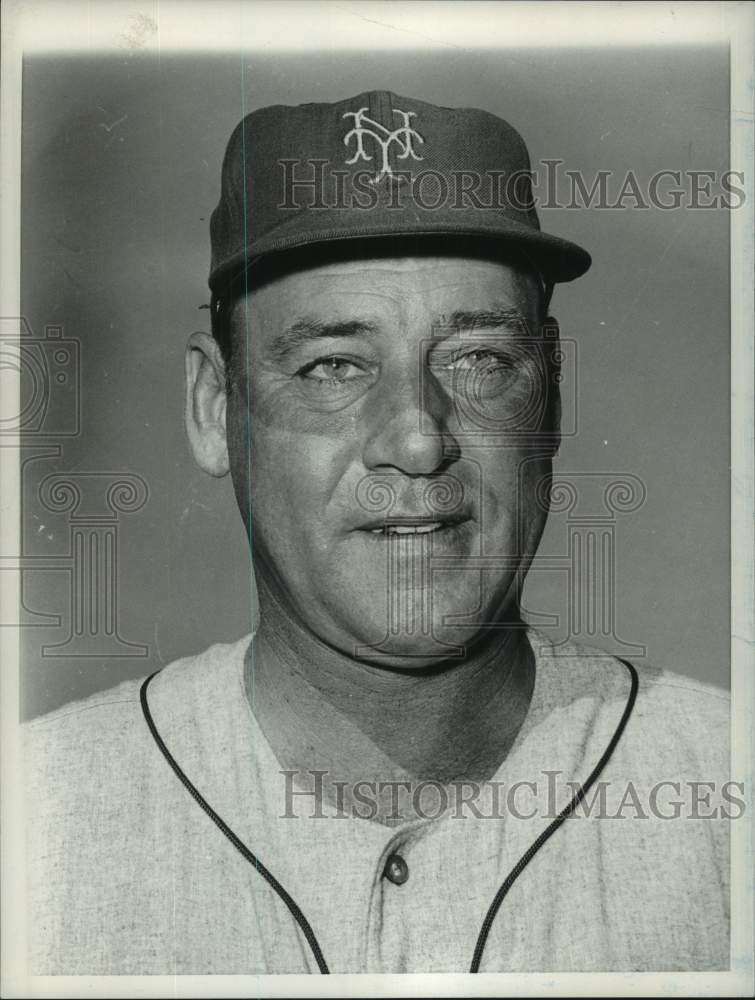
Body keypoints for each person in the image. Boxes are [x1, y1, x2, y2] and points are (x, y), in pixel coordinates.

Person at [24, 91, 731, 975]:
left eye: (480, 360)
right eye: (333, 366)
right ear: (215, 410)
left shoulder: (721, 791)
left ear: (549, 393)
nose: (417, 437)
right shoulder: (34, 816)